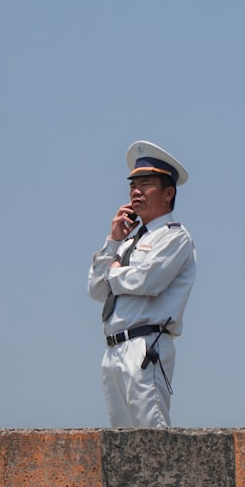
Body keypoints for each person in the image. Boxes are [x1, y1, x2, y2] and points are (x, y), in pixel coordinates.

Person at [87, 140, 196, 427]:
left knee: (151, 436)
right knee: (122, 443)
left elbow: (148, 280)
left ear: (168, 192)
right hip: (114, 348)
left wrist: (113, 275)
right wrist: (113, 241)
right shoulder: (126, 244)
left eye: (146, 184)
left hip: (146, 344)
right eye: (133, 185)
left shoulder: (174, 236)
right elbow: (96, 289)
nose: (136, 191)